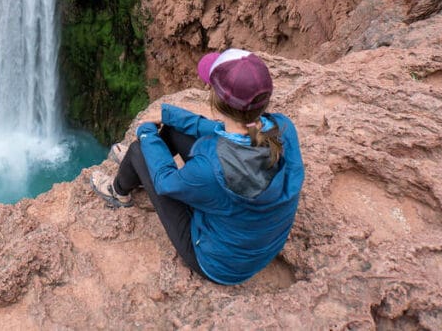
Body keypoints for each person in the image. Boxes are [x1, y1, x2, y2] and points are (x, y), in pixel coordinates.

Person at [89, 48, 304, 285]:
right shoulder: (282, 127)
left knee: (140, 151)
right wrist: (168, 116)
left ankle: (118, 191)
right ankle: (135, 169)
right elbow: (223, 131)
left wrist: (146, 131)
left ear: (217, 101)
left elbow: (165, 182)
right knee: (172, 131)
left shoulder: (210, 170)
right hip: (258, 239)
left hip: (221, 264)